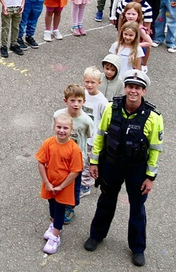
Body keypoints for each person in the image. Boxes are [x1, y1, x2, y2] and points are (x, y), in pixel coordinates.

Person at [84, 70, 164, 268]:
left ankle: (138, 248)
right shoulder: (112, 108)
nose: (133, 91)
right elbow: (101, 136)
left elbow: (155, 150)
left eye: (138, 88)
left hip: (137, 169)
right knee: (105, 200)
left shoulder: (154, 118)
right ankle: (96, 236)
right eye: (130, 87)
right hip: (111, 164)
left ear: (144, 91)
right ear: (125, 88)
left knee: (137, 208)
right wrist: (94, 163)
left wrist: (150, 177)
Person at [37, 113, 83, 255]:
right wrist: (47, 182)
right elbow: (41, 162)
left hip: (64, 187)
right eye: (59, 127)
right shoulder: (48, 143)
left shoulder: (74, 149)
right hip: (50, 184)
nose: (62, 130)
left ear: (71, 130)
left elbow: (75, 171)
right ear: (54, 127)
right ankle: (54, 225)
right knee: (51, 205)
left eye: (65, 128)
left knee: (60, 208)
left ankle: (55, 235)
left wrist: (62, 186)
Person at [53, 84, 94, 225]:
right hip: (60, 156)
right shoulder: (58, 115)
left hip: (77, 159)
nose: (76, 104)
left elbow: (89, 135)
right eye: (72, 100)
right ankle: (58, 202)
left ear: (84, 101)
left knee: (75, 184)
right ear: (65, 101)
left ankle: (70, 207)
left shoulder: (87, 120)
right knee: (59, 179)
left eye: (79, 101)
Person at [81, 66, 109, 197]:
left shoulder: (102, 101)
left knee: (88, 162)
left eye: (93, 82)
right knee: (80, 159)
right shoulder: (82, 94)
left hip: (92, 139)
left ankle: (85, 185)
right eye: (87, 81)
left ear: (99, 83)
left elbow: (105, 121)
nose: (89, 85)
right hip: (81, 135)